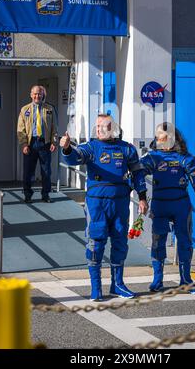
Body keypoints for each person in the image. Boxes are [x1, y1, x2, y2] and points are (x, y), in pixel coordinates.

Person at [60, 114, 148, 300]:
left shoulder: (127, 149)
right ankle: (96, 288)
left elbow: (138, 173)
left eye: (103, 126)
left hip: (120, 202)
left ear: (113, 128)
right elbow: (75, 157)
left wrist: (142, 198)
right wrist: (67, 148)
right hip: (97, 203)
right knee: (96, 243)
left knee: (119, 242)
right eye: (97, 126)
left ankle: (117, 285)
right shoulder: (91, 147)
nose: (99, 129)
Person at [140, 122, 195, 294]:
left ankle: (186, 280)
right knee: (158, 242)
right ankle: (157, 280)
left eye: (160, 136)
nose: (157, 139)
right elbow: (138, 171)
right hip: (160, 204)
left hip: (181, 204)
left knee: (184, 242)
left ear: (170, 137)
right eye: (156, 136)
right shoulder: (152, 157)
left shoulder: (185, 157)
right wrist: (141, 197)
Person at [17, 85, 58, 203]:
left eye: (39, 94)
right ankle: (27, 195)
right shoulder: (25, 110)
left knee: (46, 171)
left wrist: (54, 142)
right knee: (28, 171)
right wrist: (24, 144)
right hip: (31, 143)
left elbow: (55, 127)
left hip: (44, 143)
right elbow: (21, 129)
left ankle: (45, 195)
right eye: (35, 94)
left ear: (43, 95)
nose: (37, 96)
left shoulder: (49, 109)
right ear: (31, 95)